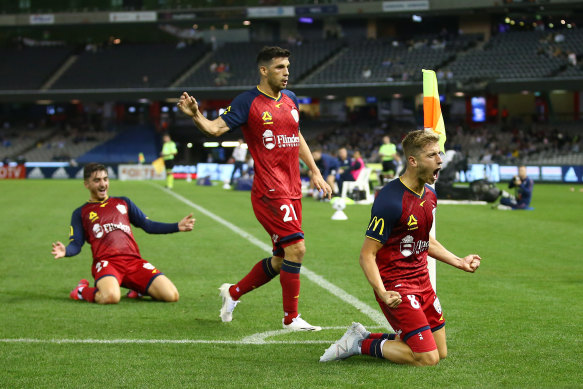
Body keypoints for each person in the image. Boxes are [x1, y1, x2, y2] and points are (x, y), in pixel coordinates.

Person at [177, 46, 332, 331]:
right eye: (279, 68)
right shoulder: (247, 102)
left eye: (287, 67)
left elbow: (295, 136)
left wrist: (314, 170)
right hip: (270, 190)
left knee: (281, 258)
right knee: (297, 249)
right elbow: (215, 129)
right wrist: (196, 115)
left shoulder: (291, 99)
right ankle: (290, 318)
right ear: (263, 70)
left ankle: (233, 293)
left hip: (292, 188)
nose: (286, 73)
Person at [320, 130, 481, 365]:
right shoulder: (390, 200)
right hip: (397, 286)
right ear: (413, 161)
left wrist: (459, 261)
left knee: (440, 351)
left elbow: (423, 240)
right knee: (427, 358)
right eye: (432, 155)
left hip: (422, 282)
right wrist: (383, 293)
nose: (440, 160)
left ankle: (363, 337)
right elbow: (367, 255)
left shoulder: (430, 196)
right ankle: (359, 344)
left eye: (439, 154)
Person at [51, 163, 195, 304]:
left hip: (133, 262)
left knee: (172, 295)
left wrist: (177, 226)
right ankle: (81, 291)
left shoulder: (123, 202)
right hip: (107, 263)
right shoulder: (81, 213)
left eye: (105, 179)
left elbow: (148, 226)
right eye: (97, 180)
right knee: (111, 297)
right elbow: (76, 244)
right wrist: (66, 251)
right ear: (86, 184)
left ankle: (137, 288)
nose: (103, 184)